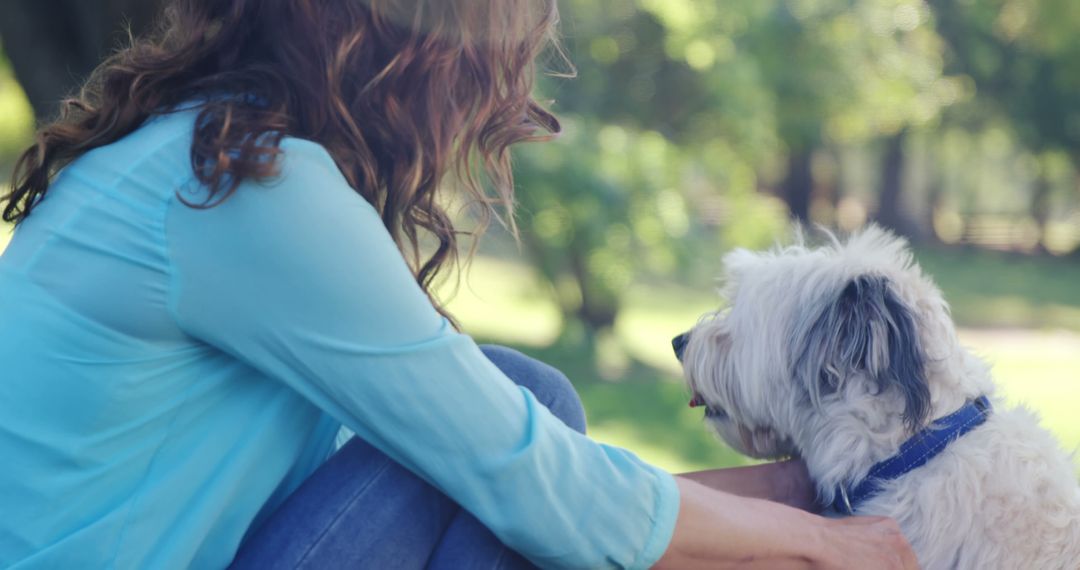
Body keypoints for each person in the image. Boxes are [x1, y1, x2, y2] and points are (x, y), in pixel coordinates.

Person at [0, 0, 919, 568]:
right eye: (500, 56)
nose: (499, 102)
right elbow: (510, 473)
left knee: (529, 409)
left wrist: (804, 496)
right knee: (528, 418)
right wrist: (818, 543)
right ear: (418, 49)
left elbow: (500, 463)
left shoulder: (205, 152)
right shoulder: (249, 191)